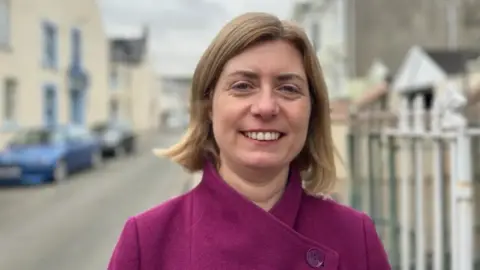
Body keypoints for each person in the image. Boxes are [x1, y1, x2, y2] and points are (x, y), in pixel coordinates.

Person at [108, 12, 391, 270]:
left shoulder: (355, 236)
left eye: (288, 88)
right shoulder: (146, 242)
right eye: (243, 86)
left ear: (311, 111)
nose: (266, 107)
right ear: (208, 106)